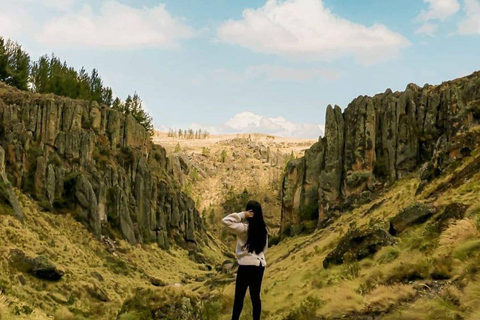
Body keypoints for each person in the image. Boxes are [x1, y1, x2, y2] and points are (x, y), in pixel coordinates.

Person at [222, 200, 268, 320]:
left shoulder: (244, 229)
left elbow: (226, 221)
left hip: (246, 266)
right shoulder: (264, 230)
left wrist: (242, 214)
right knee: (255, 298)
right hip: (259, 265)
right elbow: (264, 249)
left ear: (249, 212)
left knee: (239, 298)